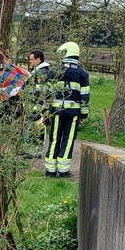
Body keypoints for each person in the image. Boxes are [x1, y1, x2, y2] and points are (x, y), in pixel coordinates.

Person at [44, 41, 90, 178]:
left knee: (54, 138)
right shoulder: (83, 74)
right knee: (68, 139)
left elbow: (47, 92)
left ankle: (50, 170)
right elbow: (85, 96)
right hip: (73, 112)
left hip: (56, 111)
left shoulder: (54, 71)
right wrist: (84, 114)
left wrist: (46, 111)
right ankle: (63, 171)